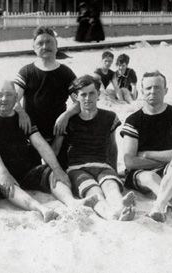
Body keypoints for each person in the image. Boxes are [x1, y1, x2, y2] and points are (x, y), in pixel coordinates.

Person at [0, 80, 97, 223]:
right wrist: (4, 172)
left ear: (16, 98)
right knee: (1, 179)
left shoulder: (23, 119)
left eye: (9, 95)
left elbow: (40, 143)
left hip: (24, 169)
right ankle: (42, 209)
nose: (4, 99)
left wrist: (57, 168)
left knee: (53, 173)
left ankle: (72, 202)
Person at [55, 75, 135, 221]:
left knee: (111, 186)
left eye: (92, 93)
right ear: (76, 97)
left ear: (98, 94)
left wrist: (114, 171)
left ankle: (121, 209)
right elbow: (55, 150)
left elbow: (112, 147)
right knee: (94, 191)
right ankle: (110, 215)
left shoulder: (109, 117)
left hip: (102, 165)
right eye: (83, 94)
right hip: (77, 168)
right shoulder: (69, 120)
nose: (87, 98)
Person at [13, 26, 77, 169]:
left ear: (56, 46)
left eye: (49, 42)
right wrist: (22, 113)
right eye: (40, 43)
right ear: (34, 48)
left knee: (63, 169)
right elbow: (14, 99)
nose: (45, 46)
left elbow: (79, 102)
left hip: (58, 133)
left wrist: (66, 115)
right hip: (32, 133)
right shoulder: (27, 71)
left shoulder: (66, 73)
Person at [121, 71, 172, 222]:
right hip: (140, 173)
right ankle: (164, 204)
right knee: (151, 177)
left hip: (170, 169)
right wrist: (166, 158)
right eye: (149, 88)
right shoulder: (134, 120)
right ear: (142, 91)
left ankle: (159, 207)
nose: (152, 91)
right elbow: (130, 162)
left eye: (158, 88)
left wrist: (146, 154)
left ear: (166, 90)